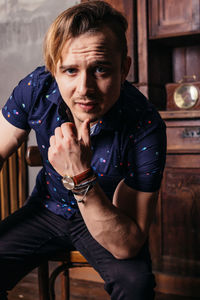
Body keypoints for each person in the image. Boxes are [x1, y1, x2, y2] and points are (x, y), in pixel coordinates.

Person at [0, 1, 166, 299]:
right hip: (45, 209)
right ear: (54, 69)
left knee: (136, 287)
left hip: (107, 216)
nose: (84, 88)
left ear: (124, 68)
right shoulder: (36, 87)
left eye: (100, 69)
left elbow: (126, 244)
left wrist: (79, 174)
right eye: (70, 71)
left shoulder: (146, 125)